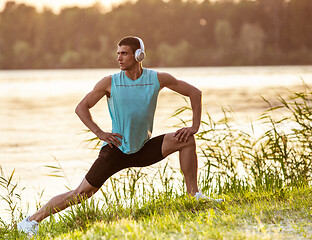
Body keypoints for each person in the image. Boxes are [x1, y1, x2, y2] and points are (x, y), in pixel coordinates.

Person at [17, 36, 223, 235]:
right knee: (81, 194)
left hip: (143, 148)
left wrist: (194, 126)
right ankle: (30, 222)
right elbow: (82, 107)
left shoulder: (157, 79)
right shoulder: (109, 82)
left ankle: (194, 196)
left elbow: (195, 93)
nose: (119, 58)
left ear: (139, 55)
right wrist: (100, 133)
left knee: (186, 140)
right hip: (117, 149)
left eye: (124, 53)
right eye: (118, 53)